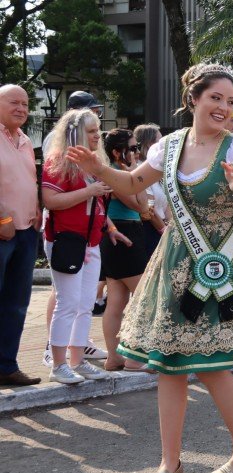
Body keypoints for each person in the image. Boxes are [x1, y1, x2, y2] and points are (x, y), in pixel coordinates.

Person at [67, 63, 233, 473]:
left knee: (214, 367)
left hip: (219, 268)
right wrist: (98, 167)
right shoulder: (169, 145)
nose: (223, 107)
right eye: (215, 98)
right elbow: (131, 181)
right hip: (174, 265)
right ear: (194, 99)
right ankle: (170, 463)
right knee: (168, 367)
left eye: (230, 101)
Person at [41, 109, 112, 384]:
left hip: (90, 240)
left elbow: (98, 205)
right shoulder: (59, 160)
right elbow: (51, 200)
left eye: (98, 130)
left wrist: (110, 229)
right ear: (76, 134)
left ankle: (77, 360)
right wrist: (89, 191)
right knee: (68, 302)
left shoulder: (94, 163)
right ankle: (59, 365)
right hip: (67, 240)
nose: (98, 135)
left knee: (84, 304)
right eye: (92, 131)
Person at [99, 128, 151, 372]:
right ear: (117, 152)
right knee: (145, 297)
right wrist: (133, 174)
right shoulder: (117, 174)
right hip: (122, 233)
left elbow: (143, 205)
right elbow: (141, 205)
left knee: (117, 299)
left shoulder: (121, 173)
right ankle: (134, 356)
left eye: (136, 147)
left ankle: (116, 356)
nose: (136, 153)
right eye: (131, 148)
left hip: (125, 232)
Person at [0, 85, 42, 386]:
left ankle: (7, 366)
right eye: (14, 102)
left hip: (27, 231)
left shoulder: (25, 140)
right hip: (3, 230)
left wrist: (37, 207)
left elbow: (30, 178)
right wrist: (2, 217)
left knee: (16, 303)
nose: (21, 108)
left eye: (26, 104)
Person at [133, 123, 168, 257]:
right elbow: (149, 209)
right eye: (159, 143)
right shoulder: (141, 170)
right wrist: (164, 230)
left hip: (162, 228)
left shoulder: (158, 171)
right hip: (151, 230)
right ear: (148, 145)